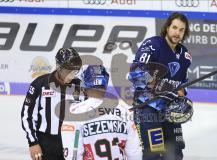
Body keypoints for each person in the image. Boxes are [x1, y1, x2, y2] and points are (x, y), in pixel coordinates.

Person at [129, 12, 192, 160]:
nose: (177, 32)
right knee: (154, 154)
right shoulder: (153, 44)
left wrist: (182, 98)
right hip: (148, 109)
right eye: (174, 27)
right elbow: (135, 73)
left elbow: (183, 86)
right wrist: (156, 84)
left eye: (181, 30)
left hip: (170, 112)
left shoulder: (185, 56)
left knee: (175, 154)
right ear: (167, 27)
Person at [62, 65, 142, 160]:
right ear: (106, 83)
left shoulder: (75, 113)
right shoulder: (125, 111)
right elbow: (135, 154)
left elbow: (73, 156)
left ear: (84, 85)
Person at [21, 48, 82, 160]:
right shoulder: (40, 84)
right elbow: (27, 115)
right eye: (68, 71)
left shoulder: (79, 86)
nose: (71, 76)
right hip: (45, 144)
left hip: (73, 142)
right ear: (59, 67)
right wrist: (33, 143)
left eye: (75, 71)